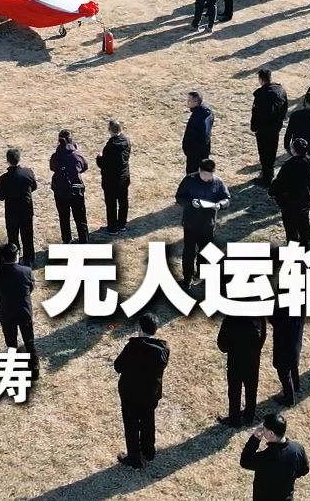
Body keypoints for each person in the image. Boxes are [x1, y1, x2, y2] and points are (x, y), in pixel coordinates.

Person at [114, 313, 169, 469]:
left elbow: (118, 366)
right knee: (148, 421)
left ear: (139, 328)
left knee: (131, 425)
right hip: (151, 393)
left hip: (130, 393)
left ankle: (134, 459)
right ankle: (148, 451)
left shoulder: (132, 347)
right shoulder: (163, 348)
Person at [176, 158, 231, 284]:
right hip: (190, 223)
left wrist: (220, 205)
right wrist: (191, 202)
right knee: (189, 252)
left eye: (209, 175)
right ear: (199, 170)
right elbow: (179, 197)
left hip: (208, 224)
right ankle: (188, 277)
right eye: (204, 174)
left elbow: (227, 198)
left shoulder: (218, 182)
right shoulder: (189, 180)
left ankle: (201, 273)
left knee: (205, 250)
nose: (207, 177)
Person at [0, 242, 38, 376]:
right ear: (17, 255)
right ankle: (34, 368)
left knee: (11, 343)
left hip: (7, 311)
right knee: (29, 340)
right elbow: (31, 287)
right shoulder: (26, 271)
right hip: (24, 309)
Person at [239, 413, 309, 498]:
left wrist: (255, 439)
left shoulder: (265, 457)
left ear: (271, 433)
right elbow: (304, 470)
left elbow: (244, 461)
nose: (262, 430)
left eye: (264, 428)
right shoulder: (298, 449)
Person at [217, 312, 266, 427]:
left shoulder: (230, 320)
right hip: (253, 362)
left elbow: (222, 345)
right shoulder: (259, 317)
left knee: (234, 391)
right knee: (251, 389)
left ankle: (234, 420)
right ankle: (250, 416)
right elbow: (263, 337)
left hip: (236, 362)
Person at [272, 139, 310, 248]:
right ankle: (305, 245)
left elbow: (279, 182)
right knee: (304, 224)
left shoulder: (290, 164)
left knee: (291, 228)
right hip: (305, 198)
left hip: (290, 201)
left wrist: (273, 192)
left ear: (293, 150)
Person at [0, 148, 39, 265]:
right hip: (26, 210)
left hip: (11, 212)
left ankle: (14, 260)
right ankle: (29, 260)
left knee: (13, 238)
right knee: (28, 236)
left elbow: (0, 196)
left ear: (7, 160)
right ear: (19, 159)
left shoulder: (4, 178)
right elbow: (34, 187)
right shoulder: (28, 173)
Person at [245, 69, 288, 185]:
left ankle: (266, 178)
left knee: (264, 154)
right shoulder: (280, 90)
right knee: (272, 151)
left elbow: (256, 113)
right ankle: (269, 173)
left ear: (260, 79)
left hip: (264, 129)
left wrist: (254, 127)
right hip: (275, 127)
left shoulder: (261, 94)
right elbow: (285, 108)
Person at [49, 130, 90, 243]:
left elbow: (52, 168)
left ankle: (67, 240)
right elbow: (84, 167)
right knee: (80, 217)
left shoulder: (56, 156)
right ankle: (83, 240)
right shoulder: (76, 156)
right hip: (75, 189)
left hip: (60, 190)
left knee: (64, 217)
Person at [96, 119, 133, 234]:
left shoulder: (110, 146)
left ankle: (112, 228)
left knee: (111, 204)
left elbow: (103, 164)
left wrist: (99, 157)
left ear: (110, 130)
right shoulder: (126, 141)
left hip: (110, 180)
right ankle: (122, 224)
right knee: (123, 202)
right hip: (123, 177)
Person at [271, 301, 305, 406]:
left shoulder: (283, 309)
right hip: (295, 341)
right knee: (293, 364)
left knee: (283, 371)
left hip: (284, 344)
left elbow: (275, 320)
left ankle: (289, 398)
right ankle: (296, 386)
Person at [182, 90, 215, 170]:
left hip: (195, 153)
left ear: (196, 102)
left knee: (194, 172)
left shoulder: (198, 117)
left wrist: (188, 150)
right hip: (203, 151)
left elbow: (195, 135)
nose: (187, 102)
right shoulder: (207, 112)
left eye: (189, 100)